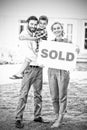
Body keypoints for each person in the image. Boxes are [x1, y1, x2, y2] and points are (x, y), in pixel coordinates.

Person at [15, 16, 44, 128]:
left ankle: (37, 116)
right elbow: (21, 38)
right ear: (28, 23)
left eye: (35, 24)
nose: (33, 26)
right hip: (29, 68)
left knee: (38, 94)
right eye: (31, 24)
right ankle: (18, 118)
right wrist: (38, 56)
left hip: (39, 69)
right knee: (24, 94)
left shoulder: (38, 34)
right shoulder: (25, 34)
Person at [48, 22, 70, 128]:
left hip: (63, 71)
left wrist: (77, 49)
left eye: (58, 28)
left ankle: (60, 119)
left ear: (62, 29)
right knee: (54, 97)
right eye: (54, 28)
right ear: (53, 31)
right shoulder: (50, 43)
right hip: (52, 71)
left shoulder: (68, 42)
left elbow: (73, 53)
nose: (56, 30)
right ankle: (57, 116)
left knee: (62, 96)